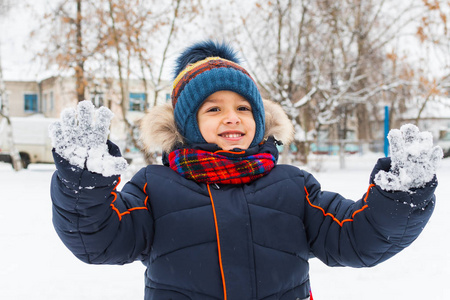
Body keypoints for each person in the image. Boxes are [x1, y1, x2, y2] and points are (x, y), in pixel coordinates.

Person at [49, 40, 442, 300]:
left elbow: (357, 238)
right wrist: (82, 180)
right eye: (214, 109)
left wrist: (402, 194)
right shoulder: (154, 187)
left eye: (243, 108)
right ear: (187, 125)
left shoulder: (292, 186)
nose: (231, 118)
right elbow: (99, 240)